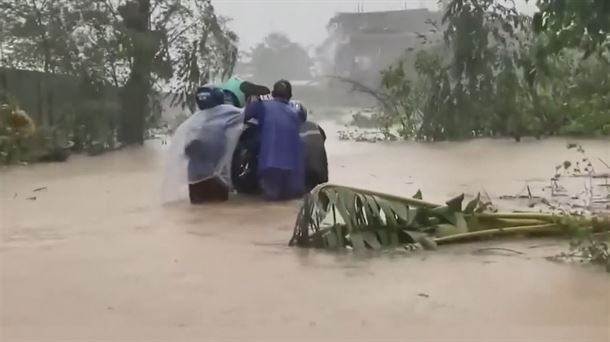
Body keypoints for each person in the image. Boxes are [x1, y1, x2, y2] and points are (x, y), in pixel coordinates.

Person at [161, 85, 243, 204]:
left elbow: (185, 150)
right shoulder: (228, 112)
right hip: (217, 178)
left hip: (194, 177)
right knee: (219, 214)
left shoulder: (193, 121)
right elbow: (247, 113)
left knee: (198, 210)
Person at [243, 80, 305, 201]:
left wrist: (254, 98)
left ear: (272, 93)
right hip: (293, 169)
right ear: (290, 96)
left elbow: (244, 115)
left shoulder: (263, 106)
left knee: (271, 202)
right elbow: (303, 117)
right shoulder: (296, 112)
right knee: (289, 202)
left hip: (269, 164)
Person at [294, 101, 329, 192]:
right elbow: (323, 138)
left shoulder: (291, 128)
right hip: (322, 169)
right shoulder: (315, 125)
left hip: (305, 172)